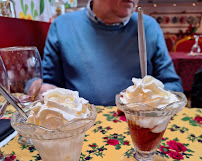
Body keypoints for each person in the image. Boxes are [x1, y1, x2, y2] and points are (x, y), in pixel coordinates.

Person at [28, 0, 183, 105]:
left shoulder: (148, 26)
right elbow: (49, 81)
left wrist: (156, 101)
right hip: (79, 129)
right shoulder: (62, 25)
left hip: (139, 128)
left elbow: (173, 85)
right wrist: (40, 88)